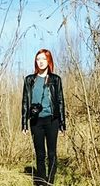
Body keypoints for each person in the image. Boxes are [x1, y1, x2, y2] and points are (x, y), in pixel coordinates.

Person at [21, 49, 66, 185]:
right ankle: (41, 182)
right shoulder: (30, 80)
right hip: (36, 121)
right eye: (38, 59)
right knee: (40, 155)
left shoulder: (55, 79)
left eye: (44, 59)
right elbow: (24, 102)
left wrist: (62, 124)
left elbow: (60, 101)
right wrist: (24, 123)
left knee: (51, 154)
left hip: (52, 120)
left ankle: (50, 182)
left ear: (49, 61)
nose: (41, 62)